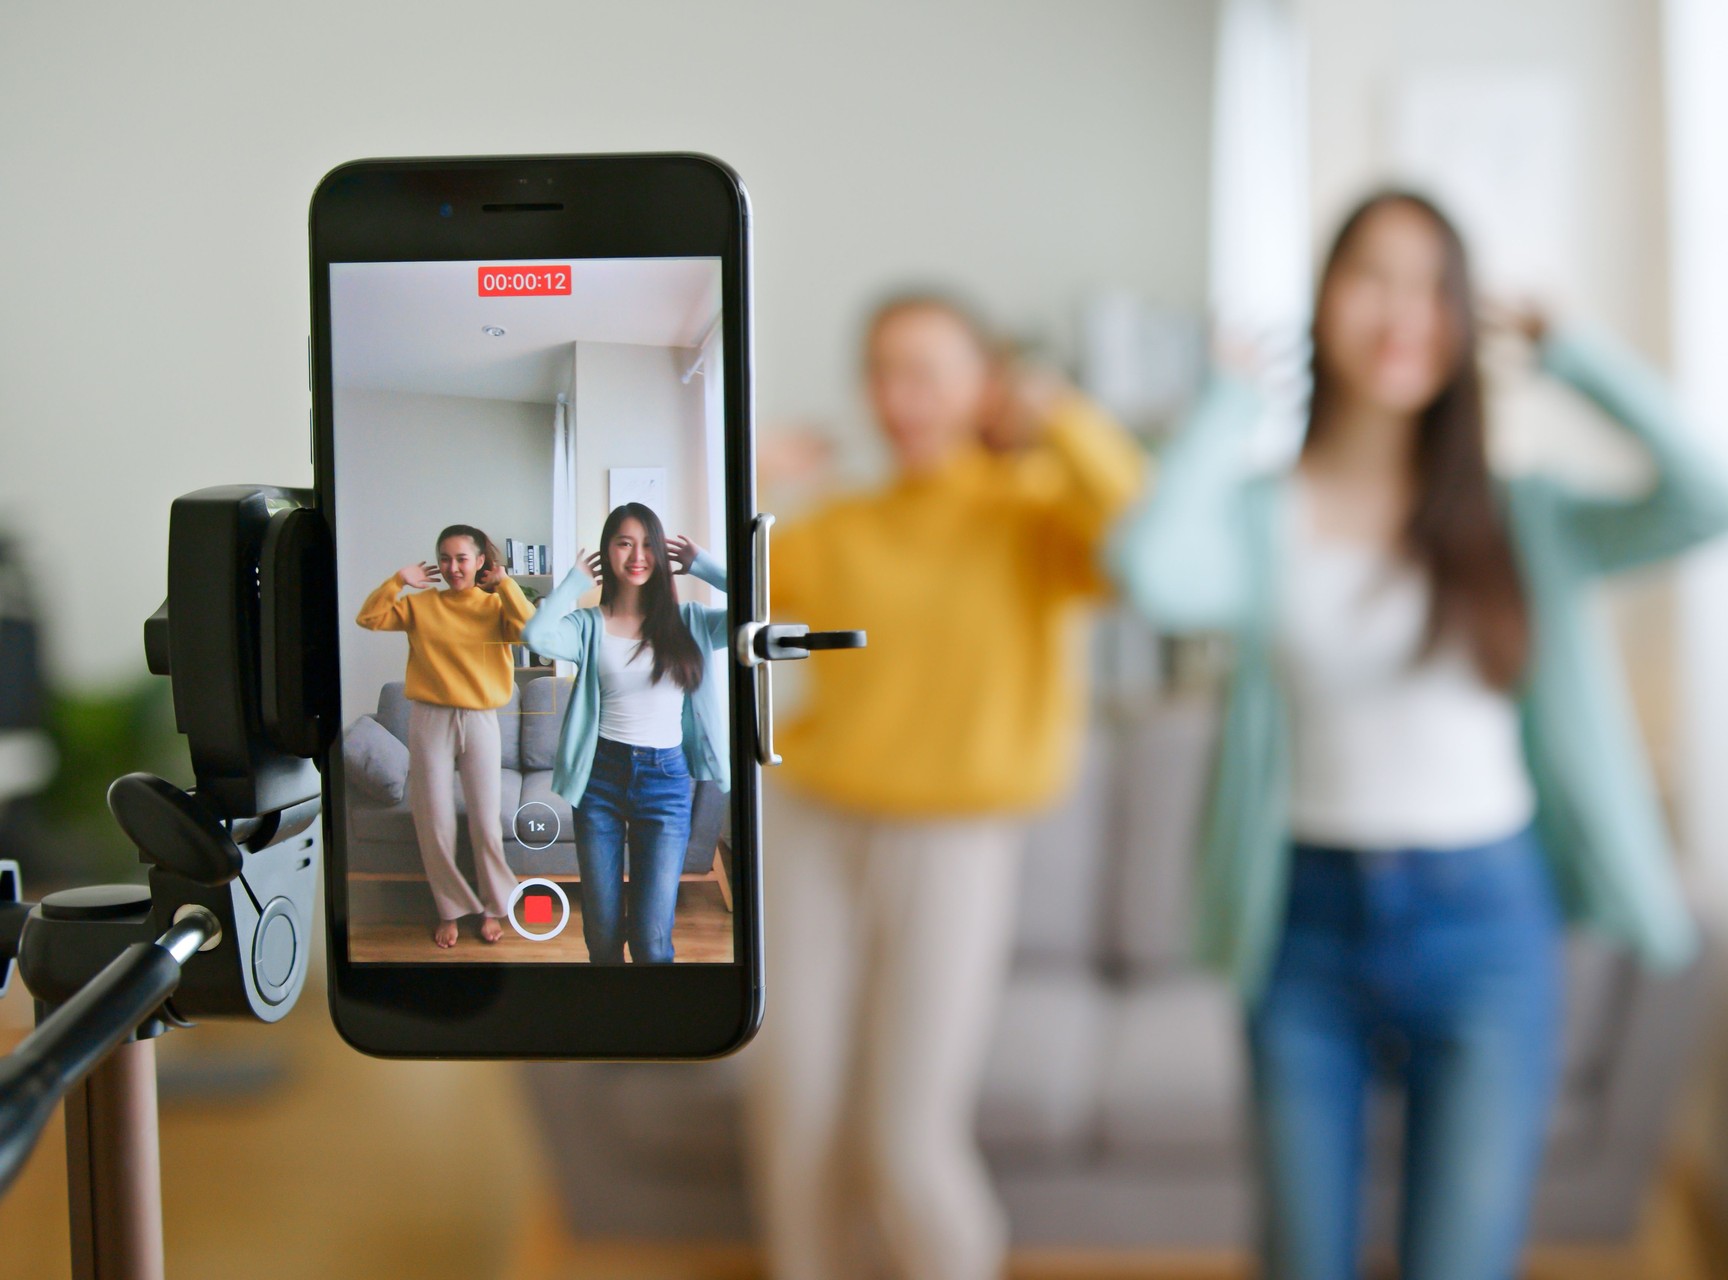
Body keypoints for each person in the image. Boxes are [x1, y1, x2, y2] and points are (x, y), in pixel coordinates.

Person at [1112, 191, 1728, 1280]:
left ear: (1463, 317)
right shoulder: (1265, 514)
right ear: (1323, 302)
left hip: (1488, 921)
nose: (1401, 309)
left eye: (1431, 282)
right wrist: (1223, 406)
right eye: (1371, 275)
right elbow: (1149, 567)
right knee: (1302, 1257)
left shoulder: (1520, 515)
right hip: (1303, 920)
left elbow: (1712, 499)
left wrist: (1576, 355)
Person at [743, 293, 1146, 1280]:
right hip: (812, 826)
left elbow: (1149, 537)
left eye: (926, 369)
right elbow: (687, 589)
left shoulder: (1037, 514)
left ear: (984, 383)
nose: (899, 395)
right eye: (883, 369)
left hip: (957, 843)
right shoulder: (840, 525)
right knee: (793, 1107)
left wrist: (1055, 413)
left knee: (908, 1135)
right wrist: (740, 473)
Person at [521, 502, 728, 964]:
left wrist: (707, 566)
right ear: (607, 552)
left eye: (647, 544)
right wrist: (573, 584)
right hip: (600, 780)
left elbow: (760, 606)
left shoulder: (690, 622)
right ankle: (610, 1025)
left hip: (667, 781)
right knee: (603, 933)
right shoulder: (587, 626)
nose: (638, 555)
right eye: (624, 543)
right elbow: (535, 635)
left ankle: (653, 1029)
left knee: (653, 941)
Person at [357, 524, 533, 949]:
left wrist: (506, 583)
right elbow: (370, 617)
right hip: (430, 719)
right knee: (433, 819)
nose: (453, 568)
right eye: (446, 558)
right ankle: (449, 909)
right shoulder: (422, 606)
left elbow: (532, 630)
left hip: (481, 720)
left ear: (479, 563)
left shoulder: (495, 607)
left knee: (486, 820)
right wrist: (398, 581)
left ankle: (494, 906)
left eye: (462, 558)